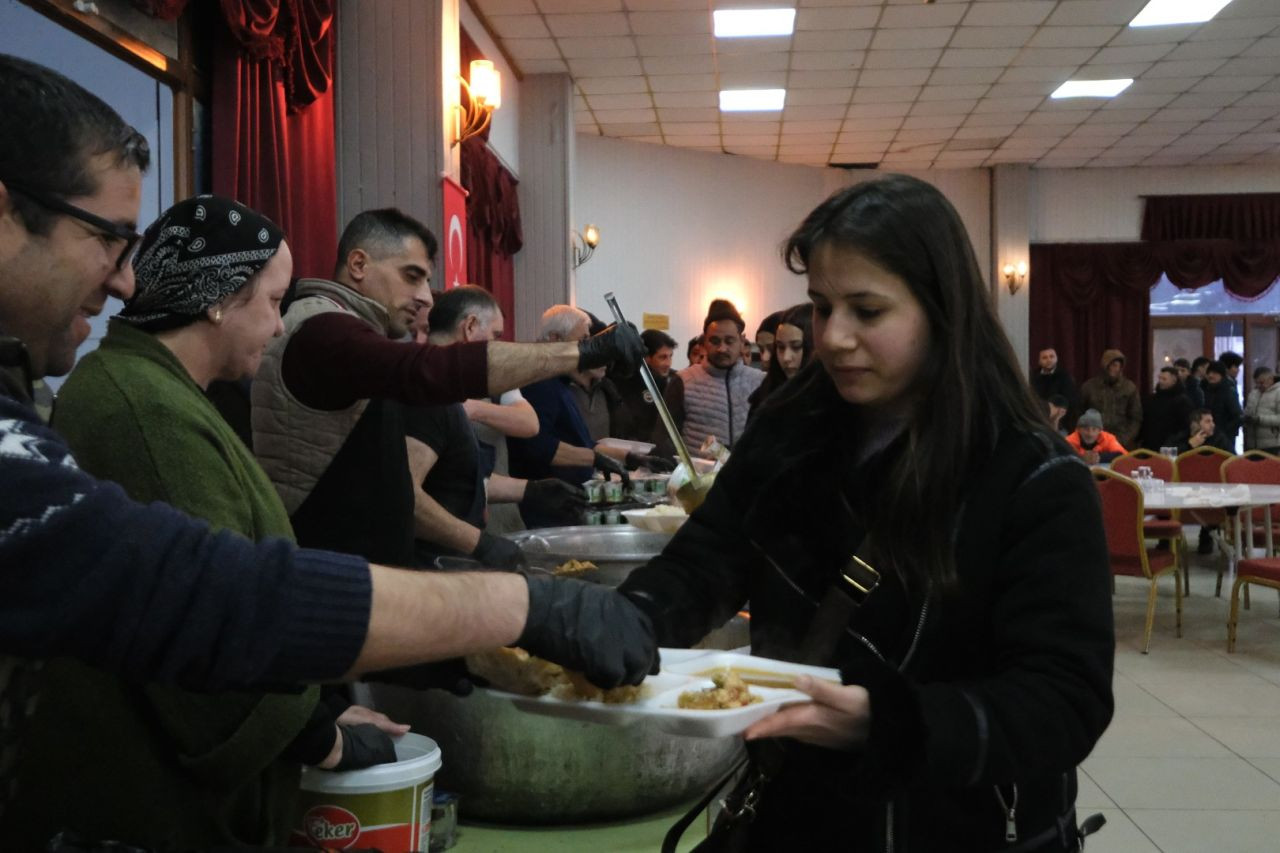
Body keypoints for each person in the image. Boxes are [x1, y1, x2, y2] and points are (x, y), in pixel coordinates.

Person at [0, 54, 657, 822]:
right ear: (218, 299)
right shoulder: (297, 341)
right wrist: (515, 604)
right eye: (107, 239)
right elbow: (208, 592)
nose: (121, 282)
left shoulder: (169, 389)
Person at [621, 176, 1112, 851]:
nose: (834, 338)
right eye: (823, 307)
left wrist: (888, 723)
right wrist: (623, 622)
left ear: (942, 310)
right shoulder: (791, 427)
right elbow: (708, 558)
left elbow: (1064, 699)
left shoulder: (1032, 476)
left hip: (958, 825)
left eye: (868, 311)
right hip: (799, 813)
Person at [7, 196, 409, 849]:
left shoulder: (160, 388)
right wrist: (321, 738)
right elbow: (206, 624)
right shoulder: (143, 410)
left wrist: (317, 715)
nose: (277, 326)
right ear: (220, 299)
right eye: (273, 302)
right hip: (148, 806)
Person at [250, 211, 646, 567]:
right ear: (359, 264)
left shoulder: (339, 330)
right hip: (325, 569)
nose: (425, 297)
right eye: (412, 276)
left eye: (426, 280)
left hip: (344, 565)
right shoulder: (324, 328)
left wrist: (529, 491)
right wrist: (586, 351)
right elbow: (424, 374)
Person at [408, 286, 584, 566]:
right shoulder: (425, 393)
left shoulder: (478, 387)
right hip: (437, 557)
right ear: (470, 327)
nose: (499, 346)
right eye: (496, 337)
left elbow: (464, 477)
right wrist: (478, 543)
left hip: (473, 540)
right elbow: (407, 494)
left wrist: (531, 490)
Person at [509, 306, 669, 526]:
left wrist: (629, 457)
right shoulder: (540, 383)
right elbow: (539, 446)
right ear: (555, 339)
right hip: (547, 507)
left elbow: (583, 443)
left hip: (567, 502)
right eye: (584, 340)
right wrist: (594, 459)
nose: (590, 350)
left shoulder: (559, 383)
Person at [660, 299, 764, 455]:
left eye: (729, 341)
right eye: (715, 341)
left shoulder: (759, 382)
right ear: (704, 342)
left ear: (742, 341)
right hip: (696, 469)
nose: (722, 348)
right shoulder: (684, 381)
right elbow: (664, 439)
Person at [748, 302, 813, 418]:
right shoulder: (764, 396)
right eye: (780, 347)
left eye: (796, 347)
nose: (786, 357)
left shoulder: (835, 399)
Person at [612, 328, 676, 442]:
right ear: (646, 358)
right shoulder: (626, 381)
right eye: (662, 357)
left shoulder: (673, 380)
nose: (668, 363)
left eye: (670, 356)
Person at [1078, 348, 1142, 449]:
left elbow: (1136, 418)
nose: (1113, 369)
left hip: (1121, 441)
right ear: (1104, 366)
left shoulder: (1129, 388)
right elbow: (1078, 414)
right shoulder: (1089, 387)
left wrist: (1124, 439)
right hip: (1093, 439)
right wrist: (1087, 436)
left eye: (1116, 365)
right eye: (1110, 365)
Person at [1140, 366, 1192, 452]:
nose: (1160, 381)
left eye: (1164, 379)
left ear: (1174, 380)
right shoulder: (1152, 399)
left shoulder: (1182, 401)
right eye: (1160, 378)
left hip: (1171, 446)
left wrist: (1174, 441)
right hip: (1150, 444)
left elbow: (1185, 427)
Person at [1201, 360, 1243, 450]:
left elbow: (1238, 417)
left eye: (1214, 373)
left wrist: (1223, 431)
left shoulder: (1229, 391)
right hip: (1209, 435)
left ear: (1222, 375)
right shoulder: (1207, 390)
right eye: (1209, 373)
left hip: (1225, 437)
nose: (1210, 375)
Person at [1244, 366, 1280, 454]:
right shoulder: (1253, 393)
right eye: (1256, 383)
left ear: (1271, 379)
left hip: (1272, 444)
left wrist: (1260, 419)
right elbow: (1247, 411)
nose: (1259, 386)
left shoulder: (1278, 393)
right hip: (1252, 444)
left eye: (1261, 383)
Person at [1030, 347, 1076, 414]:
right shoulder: (1033, 376)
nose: (1049, 360)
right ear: (1039, 361)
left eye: (1051, 356)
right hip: (1037, 413)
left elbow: (1070, 401)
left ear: (1056, 359)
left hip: (1059, 415)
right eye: (1044, 358)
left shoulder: (1064, 376)